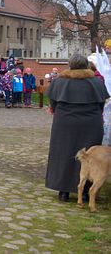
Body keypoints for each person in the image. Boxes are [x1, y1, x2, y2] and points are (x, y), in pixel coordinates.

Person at [45, 54, 109, 202]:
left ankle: (64, 191)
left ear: (70, 65)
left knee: (63, 154)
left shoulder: (59, 82)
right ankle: (86, 191)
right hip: (90, 123)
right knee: (89, 156)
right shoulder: (96, 82)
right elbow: (101, 104)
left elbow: (53, 103)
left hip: (64, 123)